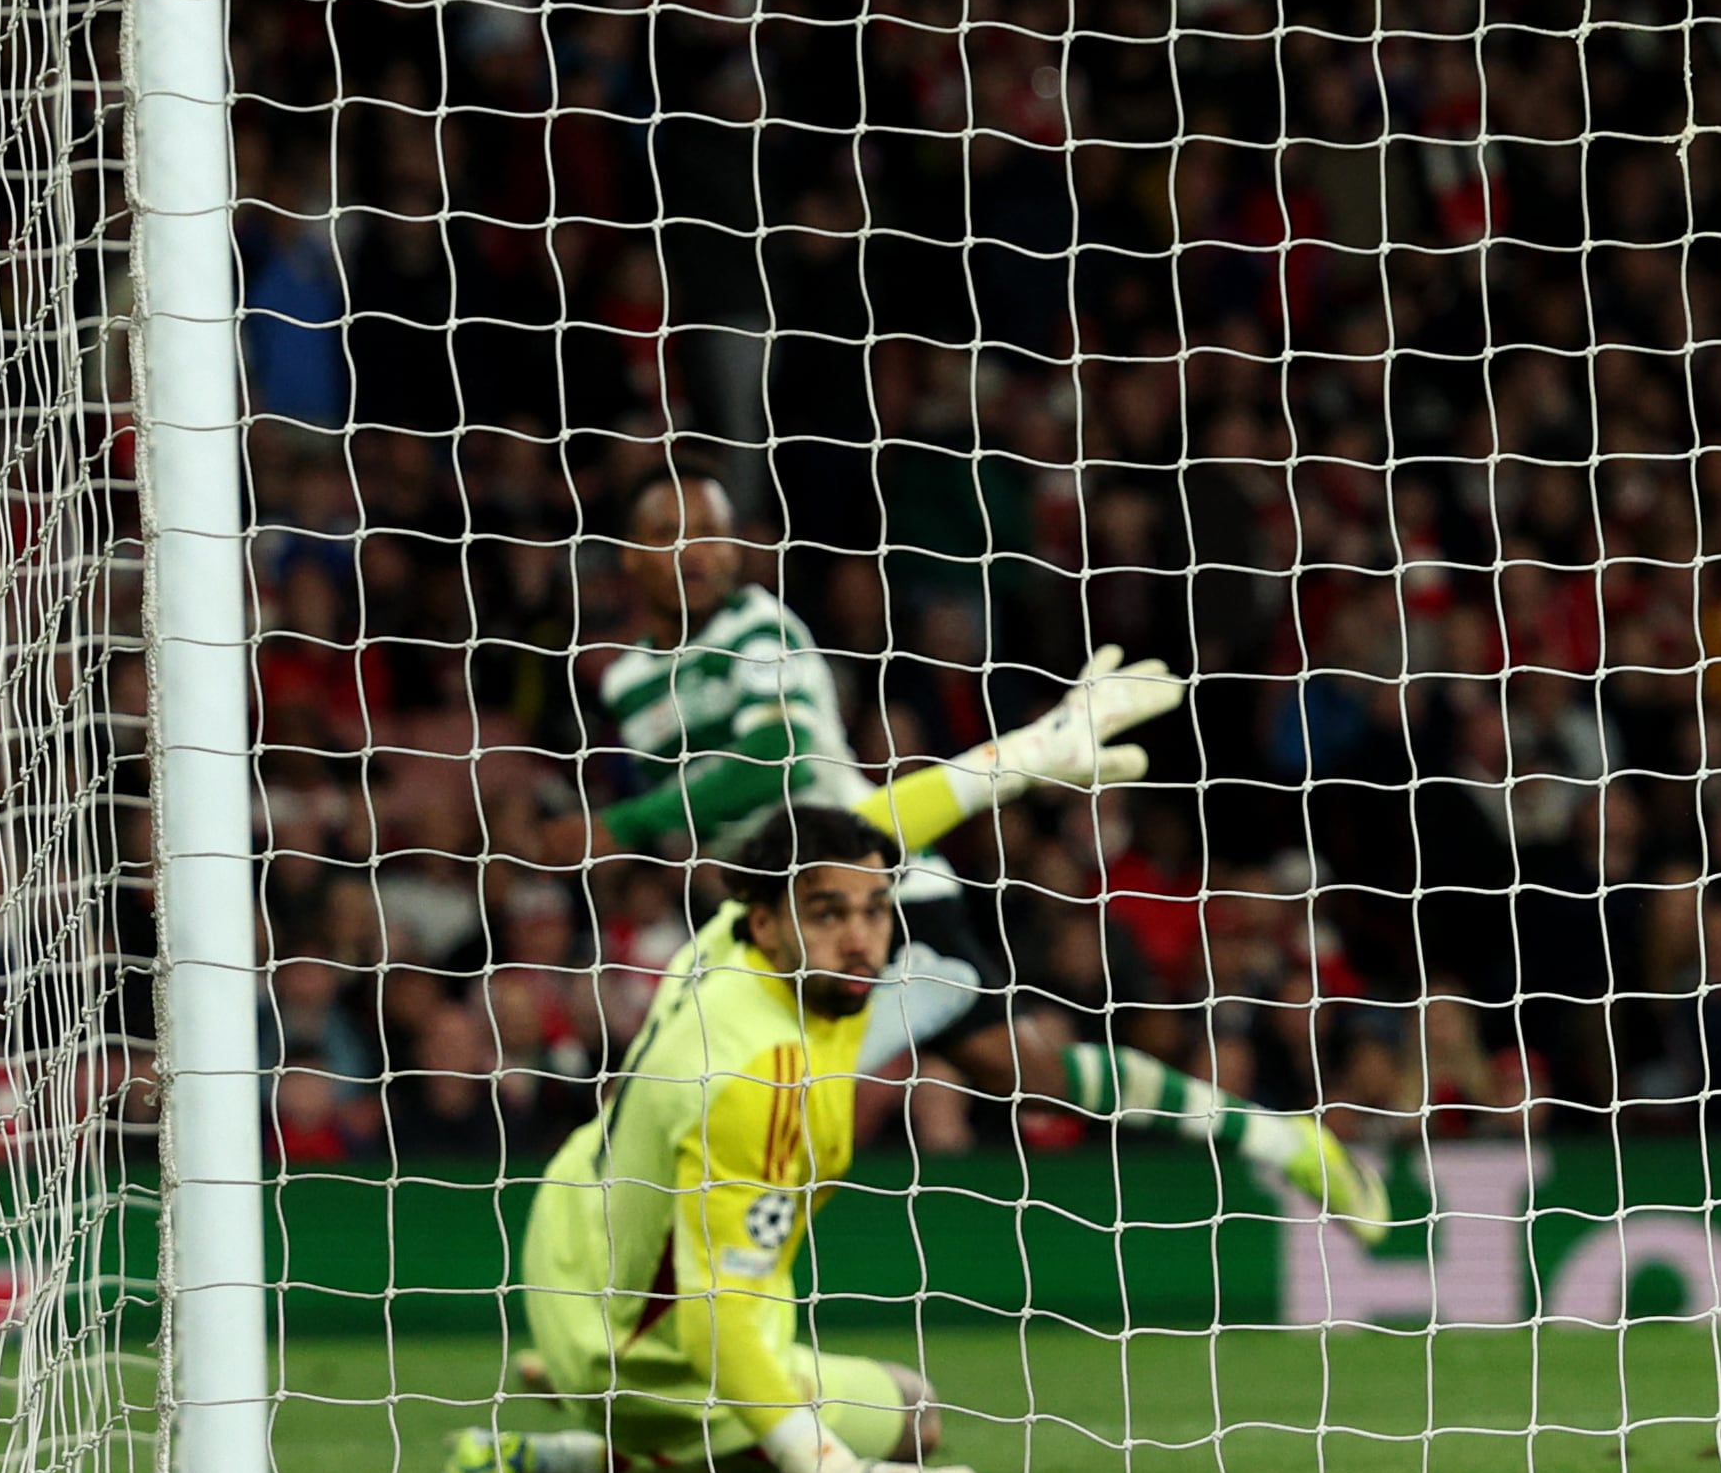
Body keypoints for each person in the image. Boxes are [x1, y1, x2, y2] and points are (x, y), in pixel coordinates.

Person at [589, 471, 1383, 1242]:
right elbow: (695, 807)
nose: (701, 552)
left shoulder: (760, 625)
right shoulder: (627, 682)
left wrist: (623, 823)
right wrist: (643, 830)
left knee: (795, 1088)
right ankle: (1282, 1140)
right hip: (770, 923)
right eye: (670, 534)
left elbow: (775, 752)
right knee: (1020, 1079)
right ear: (627, 554)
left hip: (880, 892)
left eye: (716, 534)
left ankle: (700, 1297)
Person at [444, 799, 980, 1473]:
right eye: (828, 915)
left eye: (876, 911)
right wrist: (830, 1466)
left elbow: (847, 835)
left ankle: (584, 1381)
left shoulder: (729, 938)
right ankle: (581, 1448)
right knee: (916, 1414)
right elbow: (715, 1320)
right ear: (769, 920)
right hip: (640, 1353)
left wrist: (1026, 758)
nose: (860, 939)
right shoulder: (761, 1071)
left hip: (570, 1248)